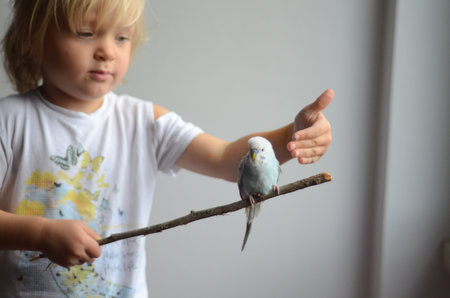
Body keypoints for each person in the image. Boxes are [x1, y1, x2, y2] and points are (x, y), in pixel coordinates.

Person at [0, 0, 333, 296]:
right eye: (86, 32)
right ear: (34, 37)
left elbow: (224, 157)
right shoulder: (9, 120)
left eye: (121, 37)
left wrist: (294, 135)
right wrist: (40, 233)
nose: (107, 51)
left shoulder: (143, 121)